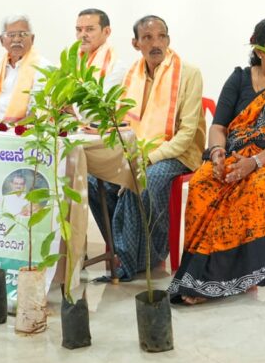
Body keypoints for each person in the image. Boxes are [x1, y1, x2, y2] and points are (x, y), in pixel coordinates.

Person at [167, 17, 265, 304]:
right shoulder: (240, 78)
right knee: (203, 182)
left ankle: (234, 278)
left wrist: (255, 162)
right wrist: (217, 154)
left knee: (255, 186)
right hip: (236, 153)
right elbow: (219, 127)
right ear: (258, 49)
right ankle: (201, 276)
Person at [86, 15, 205, 281]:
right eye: (148, 38)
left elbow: (186, 135)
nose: (156, 43)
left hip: (179, 153)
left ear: (168, 40)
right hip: (136, 150)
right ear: (136, 43)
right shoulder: (132, 75)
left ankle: (145, 256)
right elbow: (121, 122)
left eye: (161, 36)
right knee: (94, 180)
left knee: (143, 180)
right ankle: (124, 250)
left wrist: (147, 158)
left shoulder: (189, 73)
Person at [0, 15, 50, 123]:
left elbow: (37, 113)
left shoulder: (43, 67)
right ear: (1, 40)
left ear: (32, 39)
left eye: (23, 34)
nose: (17, 39)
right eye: (11, 35)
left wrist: (8, 130)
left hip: (22, 131)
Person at [75, 8, 126, 88]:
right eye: (79, 30)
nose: (82, 35)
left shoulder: (116, 67)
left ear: (106, 32)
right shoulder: (70, 62)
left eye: (90, 29)